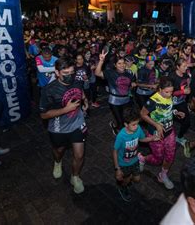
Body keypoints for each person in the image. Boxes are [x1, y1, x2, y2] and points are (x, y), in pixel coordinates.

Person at [39, 58, 89, 194]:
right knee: (59, 151)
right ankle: (57, 162)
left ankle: (75, 177)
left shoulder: (77, 81)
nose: (69, 75)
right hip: (58, 128)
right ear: (57, 72)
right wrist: (65, 110)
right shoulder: (49, 90)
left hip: (77, 123)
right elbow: (43, 115)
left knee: (79, 155)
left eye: (72, 72)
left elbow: (81, 92)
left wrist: (85, 101)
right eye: (65, 72)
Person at [139, 77, 185, 189]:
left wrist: (176, 112)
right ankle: (142, 158)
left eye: (171, 91)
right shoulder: (153, 100)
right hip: (155, 134)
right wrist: (156, 124)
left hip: (169, 132)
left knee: (170, 156)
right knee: (158, 158)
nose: (169, 94)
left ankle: (163, 175)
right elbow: (143, 114)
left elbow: (170, 107)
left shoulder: (170, 96)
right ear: (159, 89)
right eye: (166, 92)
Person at [113, 117, 159, 202]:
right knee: (126, 181)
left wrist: (152, 138)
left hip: (135, 161)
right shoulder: (121, 136)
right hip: (124, 164)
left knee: (137, 179)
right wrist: (117, 169)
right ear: (126, 124)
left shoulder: (138, 129)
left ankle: (127, 179)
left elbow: (142, 139)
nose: (136, 126)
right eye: (133, 124)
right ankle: (122, 187)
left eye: (137, 124)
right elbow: (115, 151)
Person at [95, 50, 136, 135]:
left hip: (127, 100)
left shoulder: (129, 73)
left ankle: (117, 126)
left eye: (123, 63)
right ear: (115, 65)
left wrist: (132, 84)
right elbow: (97, 73)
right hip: (115, 101)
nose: (122, 65)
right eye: (119, 63)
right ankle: (116, 128)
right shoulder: (111, 73)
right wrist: (101, 61)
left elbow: (129, 85)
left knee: (126, 120)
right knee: (121, 123)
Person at [170, 59, 191, 147]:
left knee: (187, 121)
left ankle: (179, 137)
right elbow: (168, 92)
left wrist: (188, 86)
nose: (186, 68)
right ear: (178, 67)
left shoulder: (185, 75)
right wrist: (183, 92)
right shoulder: (172, 77)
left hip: (181, 101)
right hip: (171, 103)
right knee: (170, 120)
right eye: (184, 66)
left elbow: (186, 86)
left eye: (186, 66)